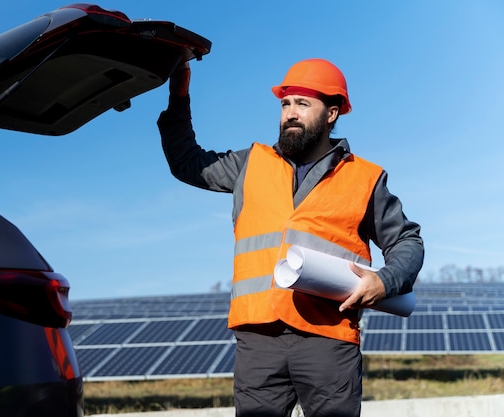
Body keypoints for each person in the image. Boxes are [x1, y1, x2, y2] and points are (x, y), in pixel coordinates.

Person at [157, 58, 424, 417]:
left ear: (332, 113)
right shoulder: (250, 164)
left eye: (302, 104)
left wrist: (385, 280)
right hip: (258, 339)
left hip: (327, 338)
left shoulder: (365, 178)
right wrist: (179, 95)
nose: (290, 113)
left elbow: (408, 240)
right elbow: (187, 162)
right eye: (285, 104)